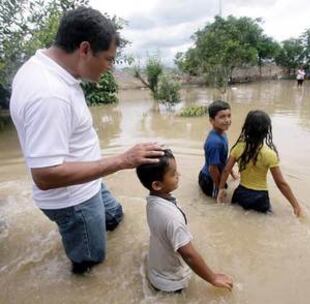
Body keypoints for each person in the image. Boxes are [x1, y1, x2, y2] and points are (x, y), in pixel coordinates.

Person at [9, 7, 164, 274]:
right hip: (74, 200)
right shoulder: (50, 94)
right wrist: (122, 160)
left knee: (114, 217)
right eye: (108, 58)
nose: (110, 67)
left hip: (88, 182)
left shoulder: (48, 68)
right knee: (92, 262)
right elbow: (45, 176)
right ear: (84, 49)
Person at [136, 149, 233, 293]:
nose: (179, 175)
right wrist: (213, 278)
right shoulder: (172, 218)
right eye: (173, 174)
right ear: (157, 185)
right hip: (171, 283)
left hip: (155, 270)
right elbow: (189, 255)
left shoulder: (152, 201)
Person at [217, 110, 302, 216]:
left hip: (240, 194)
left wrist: (221, 189)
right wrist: (296, 205)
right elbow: (281, 183)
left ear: (246, 128)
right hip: (260, 198)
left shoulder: (238, 148)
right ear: (267, 132)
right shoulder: (270, 154)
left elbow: (226, 170)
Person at [198, 100, 234, 198]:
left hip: (209, 174)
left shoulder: (222, 132)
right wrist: (219, 188)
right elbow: (212, 169)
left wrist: (233, 174)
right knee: (220, 202)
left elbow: (223, 158)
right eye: (222, 117)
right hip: (209, 179)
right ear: (211, 120)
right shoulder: (215, 142)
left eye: (229, 115)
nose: (227, 120)